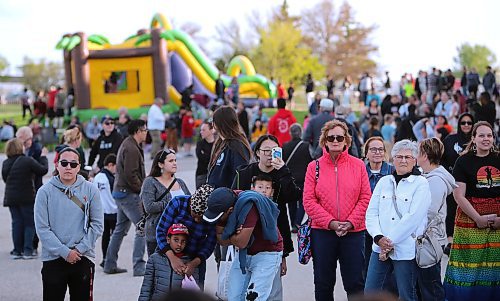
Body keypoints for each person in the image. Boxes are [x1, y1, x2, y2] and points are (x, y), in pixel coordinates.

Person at [303, 120, 371, 301]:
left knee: (355, 283)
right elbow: (308, 201)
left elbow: (365, 198)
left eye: (339, 137)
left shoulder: (358, 166)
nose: (335, 140)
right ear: (324, 141)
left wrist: (349, 223)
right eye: (330, 137)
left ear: (346, 141)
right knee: (323, 283)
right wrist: (331, 223)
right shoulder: (313, 167)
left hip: (354, 232)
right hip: (323, 232)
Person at [232, 134, 301, 299]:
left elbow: (294, 196)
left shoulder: (282, 173)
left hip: (273, 242)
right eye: (266, 151)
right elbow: (232, 203)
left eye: (275, 150)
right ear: (257, 153)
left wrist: (284, 171)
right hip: (246, 240)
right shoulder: (245, 174)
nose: (270, 154)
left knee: (271, 292)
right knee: (241, 292)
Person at [365, 140, 431, 301]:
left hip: (404, 249)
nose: (403, 160)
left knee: (406, 295)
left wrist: (389, 243)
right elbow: (371, 213)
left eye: (407, 157)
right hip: (379, 247)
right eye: (399, 156)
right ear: (392, 159)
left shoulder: (421, 184)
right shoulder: (384, 182)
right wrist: (379, 238)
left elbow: (413, 219)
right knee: (370, 292)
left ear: (414, 160)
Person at [34, 147, 103, 301]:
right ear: (57, 165)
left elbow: (97, 225)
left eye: (73, 164)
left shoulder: (91, 190)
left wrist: (79, 249)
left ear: (79, 167)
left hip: (82, 257)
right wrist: (65, 252)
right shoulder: (44, 192)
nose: (68, 167)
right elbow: (42, 229)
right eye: (64, 163)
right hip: (53, 258)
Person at [444, 121, 499, 301]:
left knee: (495, 267)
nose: (486, 139)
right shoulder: (463, 161)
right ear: (473, 139)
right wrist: (478, 219)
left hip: (498, 223)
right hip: (469, 221)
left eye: (489, 135)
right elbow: (459, 195)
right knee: (468, 268)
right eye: (481, 135)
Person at [203, 180, 283, 301]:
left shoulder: (248, 204)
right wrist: (235, 235)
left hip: (267, 253)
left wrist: (229, 235)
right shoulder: (223, 202)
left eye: (219, 217)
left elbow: (241, 242)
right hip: (244, 254)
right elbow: (221, 240)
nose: (217, 221)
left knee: (254, 297)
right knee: (233, 297)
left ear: (230, 210)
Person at [104, 119, 147, 276]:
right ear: (137, 131)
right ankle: (139, 265)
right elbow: (131, 174)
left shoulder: (129, 144)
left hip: (120, 192)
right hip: (127, 193)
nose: (146, 133)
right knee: (143, 226)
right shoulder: (131, 148)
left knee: (120, 229)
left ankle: (109, 264)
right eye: (144, 130)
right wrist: (143, 190)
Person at [415, 138, 456, 300]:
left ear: (424, 155)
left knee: (431, 290)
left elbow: (428, 213)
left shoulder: (436, 181)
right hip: (425, 242)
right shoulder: (428, 176)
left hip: (430, 243)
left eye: (418, 152)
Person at [156, 184, 217, 289]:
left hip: (195, 260)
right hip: (167, 255)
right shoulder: (177, 203)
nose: (198, 220)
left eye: (202, 218)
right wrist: (172, 258)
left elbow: (210, 244)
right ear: (191, 205)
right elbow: (161, 231)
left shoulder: (212, 217)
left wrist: (194, 263)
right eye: (195, 215)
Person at [2, 138, 48, 259]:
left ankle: (17, 250)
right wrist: (43, 157)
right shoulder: (27, 160)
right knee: (29, 223)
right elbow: (43, 170)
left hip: (11, 197)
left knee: (16, 223)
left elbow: (5, 179)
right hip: (27, 196)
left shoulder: (5, 163)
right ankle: (28, 250)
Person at [141, 149, 190, 255]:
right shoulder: (150, 182)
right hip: (158, 235)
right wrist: (173, 204)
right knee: (159, 269)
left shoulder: (180, 182)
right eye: (171, 161)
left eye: (175, 160)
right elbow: (149, 207)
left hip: (181, 236)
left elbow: (190, 204)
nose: (175, 163)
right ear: (160, 164)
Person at [139, 223, 199, 300]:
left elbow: (194, 289)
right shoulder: (155, 259)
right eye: (176, 240)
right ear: (168, 239)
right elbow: (146, 287)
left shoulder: (190, 263)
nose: (179, 244)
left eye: (183, 241)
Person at [441, 113, 474, 252]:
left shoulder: (477, 140)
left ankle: (468, 241)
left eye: (469, 123)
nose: (466, 125)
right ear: (459, 124)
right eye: (463, 123)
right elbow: (441, 159)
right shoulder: (450, 140)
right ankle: (450, 241)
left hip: (471, 182)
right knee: (451, 210)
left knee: (469, 211)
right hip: (452, 181)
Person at [363, 137, 395, 275]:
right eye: (373, 149)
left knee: (388, 269)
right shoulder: (360, 172)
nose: (377, 152)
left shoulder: (393, 172)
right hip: (364, 226)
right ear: (366, 153)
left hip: (387, 227)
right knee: (365, 265)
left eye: (380, 149)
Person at [207, 105, 252, 189]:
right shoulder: (221, 143)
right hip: (215, 197)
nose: (212, 123)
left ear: (220, 122)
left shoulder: (237, 145)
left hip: (227, 198)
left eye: (213, 120)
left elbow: (240, 176)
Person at [283, 124, 313, 231]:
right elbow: (311, 160)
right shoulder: (306, 146)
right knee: (302, 202)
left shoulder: (285, 146)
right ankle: (298, 221)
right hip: (303, 178)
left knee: (291, 202)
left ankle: (293, 223)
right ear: (301, 133)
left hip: (290, 178)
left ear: (290, 133)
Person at [92, 154, 118, 268]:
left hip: (101, 212)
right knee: (115, 237)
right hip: (112, 210)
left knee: (105, 236)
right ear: (111, 165)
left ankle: (104, 258)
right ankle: (110, 260)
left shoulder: (97, 177)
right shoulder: (111, 178)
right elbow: (115, 194)